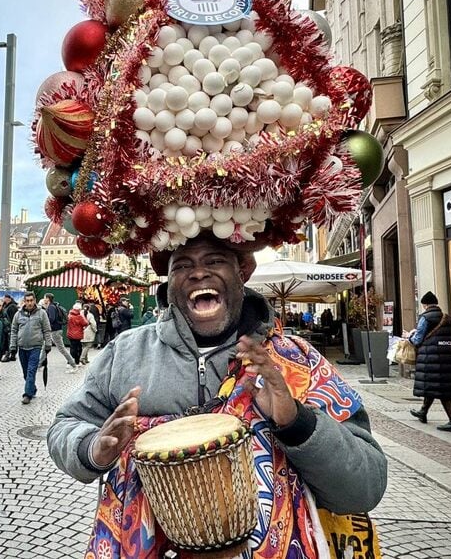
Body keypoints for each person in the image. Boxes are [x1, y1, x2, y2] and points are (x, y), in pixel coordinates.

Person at [47, 234, 387, 556]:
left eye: (215, 260)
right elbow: (67, 424)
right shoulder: (125, 353)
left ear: (242, 272)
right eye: (181, 265)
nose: (198, 273)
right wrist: (92, 447)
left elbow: (364, 487)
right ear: (168, 281)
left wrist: (297, 422)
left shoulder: (296, 361)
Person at [409, 292, 451, 432]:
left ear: (425, 305)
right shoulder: (447, 318)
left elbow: (417, 339)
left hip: (432, 358)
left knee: (441, 389)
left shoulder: (425, 318)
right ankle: (423, 412)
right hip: (448, 357)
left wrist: (409, 336)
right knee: (433, 386)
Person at [9, 292, 50, 405]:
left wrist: (48, 344)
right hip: (22, 347)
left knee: (31, 371)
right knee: (25, 373)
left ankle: (27, 394)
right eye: (27, 301)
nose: (29, 303)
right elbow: (14, 330)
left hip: (35, 347)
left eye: (31, 300)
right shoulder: (18, 314)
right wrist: (13, 346)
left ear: (35, 300)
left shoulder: (42, 314)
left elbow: (46, 330)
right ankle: (32, 388)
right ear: (24, 301)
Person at [44, 293, 79, 372]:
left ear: (48, 299)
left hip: (55, 331)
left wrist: (45, 323)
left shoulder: (51, 307)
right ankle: (38, 365)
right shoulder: (54, 306)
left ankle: (73, 365)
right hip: (55, 330)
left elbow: (51, 319)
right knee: (45, 347)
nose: (44, 300)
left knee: (62, 349)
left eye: (45, 298)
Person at [1, 295, 20, 361]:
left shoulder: (12, 306)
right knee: (7, 341)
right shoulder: (5, 305)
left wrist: (12, 327)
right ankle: (10, 354)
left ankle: (10, 355)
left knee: (11, 341)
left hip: (11, 327)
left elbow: (13, 318)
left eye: (5, 298)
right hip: (6, 327)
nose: (4, 299)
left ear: (8, 299)